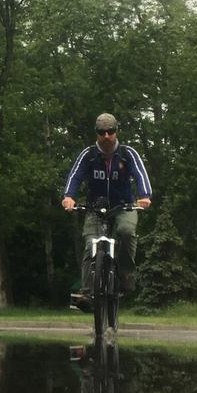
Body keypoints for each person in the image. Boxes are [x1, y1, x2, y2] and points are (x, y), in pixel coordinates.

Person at [61, 113, 152, 294]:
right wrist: (69, 196)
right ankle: (87, 291)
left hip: (124, 206)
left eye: (110, 131)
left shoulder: (127, 154)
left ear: (116, 132)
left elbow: (141, 175)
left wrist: (145, 196)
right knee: (90, 244)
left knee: (126, 231)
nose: (106, 136)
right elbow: (75, 176)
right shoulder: (89, 155)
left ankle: (126, 275)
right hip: (95, 207)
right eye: (102, 132)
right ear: (97, 133)